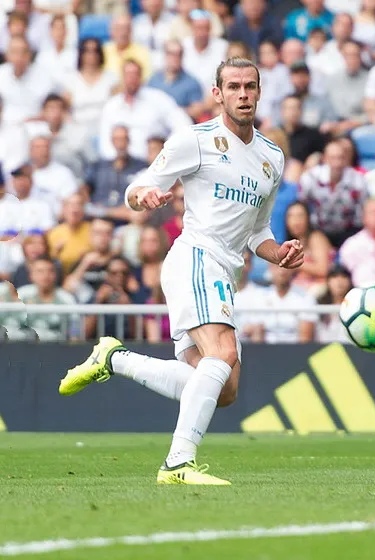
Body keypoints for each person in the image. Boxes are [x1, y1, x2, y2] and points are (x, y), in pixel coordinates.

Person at [59, 57, 305, 486]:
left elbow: (257, 230)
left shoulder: (272, 157)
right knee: (222, 355)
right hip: (194, 258)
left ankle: (114, 358)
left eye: (249, 86)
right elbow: (136, 188)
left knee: (223, 389)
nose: (243, 94)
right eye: (233, 87)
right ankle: (177, 463)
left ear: (259, 92)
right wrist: (144, 197)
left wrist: (278, 252)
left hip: (224, 273)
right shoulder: (195, 140)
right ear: (218, 94)